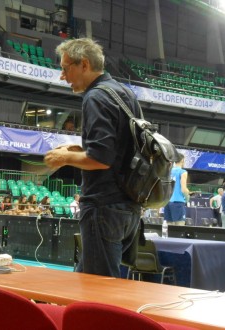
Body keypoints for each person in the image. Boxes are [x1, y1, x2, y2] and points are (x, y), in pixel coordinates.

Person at [44, 38, 142, 278]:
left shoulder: (96, 97)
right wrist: (78, 151)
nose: (62, 76)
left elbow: (101, 159)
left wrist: (63, 159)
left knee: (99, 291)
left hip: (104, 207)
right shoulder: (124, 93)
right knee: (86, 279)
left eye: (66, 68)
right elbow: (120, 149)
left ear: (84, 65)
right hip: (129, 207)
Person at [163, 153, 190, 226]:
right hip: (178, 202)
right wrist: (187, 198)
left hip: (167, 202)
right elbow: (183, 189)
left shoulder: (168, 171)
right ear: (182, 160)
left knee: (169, 228)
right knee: (179, 228)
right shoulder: (183, 172)